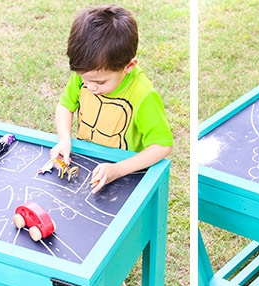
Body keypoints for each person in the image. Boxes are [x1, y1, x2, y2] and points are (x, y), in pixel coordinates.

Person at [51, 5, 173, 195]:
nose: (90, 87)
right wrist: (64, 139)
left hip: (128, 174)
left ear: (129, 66)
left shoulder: (143, 95)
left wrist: (118, 169)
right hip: (88, 163)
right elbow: (65, 106)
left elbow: (162, 145)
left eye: (100, 82)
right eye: (84, 79)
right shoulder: (87, 73)